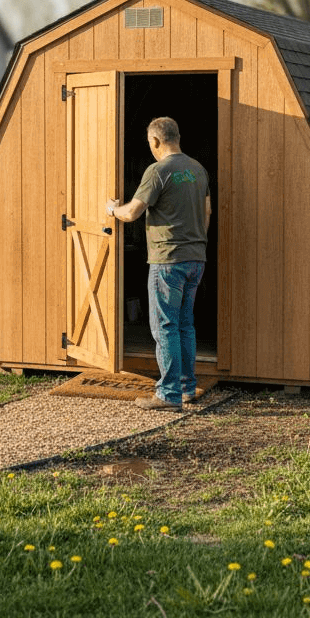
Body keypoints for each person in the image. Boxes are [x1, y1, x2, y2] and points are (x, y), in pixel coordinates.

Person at [106, 116, 210, 412]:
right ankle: (188, 388)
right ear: (177, 136)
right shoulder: (197, 169)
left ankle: (168, 394)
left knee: (164, 326)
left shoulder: (158, 171)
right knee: (185, 325)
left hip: (167, 261)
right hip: (196, 258)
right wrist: (197, 241)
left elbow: (133, 213)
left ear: (155, 141)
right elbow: (207, 211)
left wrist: (113, 210)